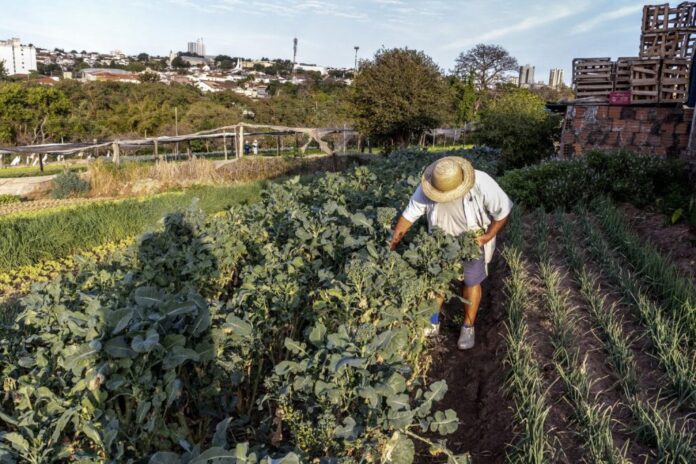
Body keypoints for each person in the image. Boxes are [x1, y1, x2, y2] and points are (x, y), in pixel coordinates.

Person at [389, 156, 512, 350]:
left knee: (471, 282)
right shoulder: (429, 185)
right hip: (440, 241)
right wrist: (392, 245)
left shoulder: (482, 183)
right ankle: (432, 321)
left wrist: (488, 236)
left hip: (472, 240)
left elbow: (503, 211)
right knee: (437, 281)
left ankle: (468, 326)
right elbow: (408, 216)